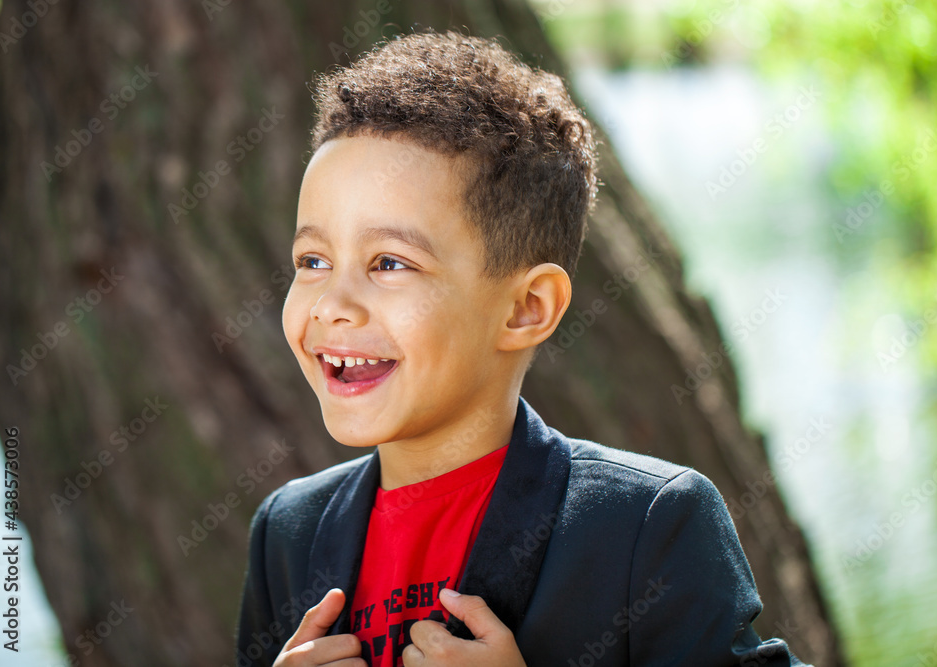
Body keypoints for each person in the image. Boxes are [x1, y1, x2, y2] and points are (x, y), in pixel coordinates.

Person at [236, 28, 809, 667]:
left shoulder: (645, 526)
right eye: (312, 259)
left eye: (390, 263)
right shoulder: (285, 534)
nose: (331, 304)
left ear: (526, 308)